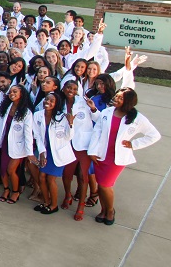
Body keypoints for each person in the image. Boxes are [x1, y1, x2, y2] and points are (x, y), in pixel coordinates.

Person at [88, 88, 161, 225]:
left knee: (104, 185)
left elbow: (154, 135)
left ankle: (110, 211)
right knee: (101, 184)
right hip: (101, 155)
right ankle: (103, 210)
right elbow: (97, 131)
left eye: (120, 98)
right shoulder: (107, 112)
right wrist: (92, 151)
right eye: (116, 96)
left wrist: (134, 144)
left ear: (128, 102)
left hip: (117, 158)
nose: (116, 99)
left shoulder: (137, 118)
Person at [0, 85, 34, 204]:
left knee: (11, 170)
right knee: (3, 169)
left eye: (15, 91)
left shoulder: (26, 112)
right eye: (10, 92)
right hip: (5, 142)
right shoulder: (6, 107)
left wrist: (29, 153)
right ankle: (6, 189)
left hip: (18, 145)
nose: (12, 94)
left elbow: (28, 134)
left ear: (22, 94)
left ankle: (15, 192)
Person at [59, 79, 99, 221]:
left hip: (83, 145)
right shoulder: (59, 102)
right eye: (69, 88)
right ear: (63, 88)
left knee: (83, 177)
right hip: (67, 144)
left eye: (75, 88)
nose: (71, 90)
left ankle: (81, 205)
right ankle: (68, 195)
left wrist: (93, 108)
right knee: (67, 174)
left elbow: (98, 118)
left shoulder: (84, 102)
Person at [33, 93, 75, 214]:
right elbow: (38, 136)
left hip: (58, 153)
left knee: (51, 179)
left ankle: (54, 205)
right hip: (45, 151)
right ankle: (46, 201)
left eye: (52, 101)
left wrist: (71, 124)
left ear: (57, 104)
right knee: (41, 177)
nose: (48, 102)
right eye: (47, 99)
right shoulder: (37, 115)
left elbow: (68, 137)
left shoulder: (62, 117)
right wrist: (41, 153)